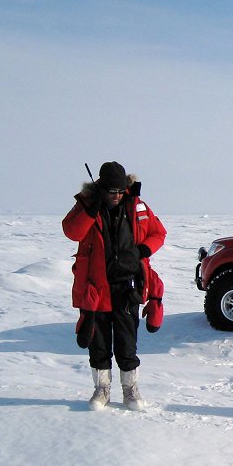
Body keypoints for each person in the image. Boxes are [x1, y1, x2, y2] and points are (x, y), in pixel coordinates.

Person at [63, 161, 167, 411]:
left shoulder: (137, 206)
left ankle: (130, 390)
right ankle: (102, 389)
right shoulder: (88, 204)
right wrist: (90, 210)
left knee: (126, 343)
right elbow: (72, 232)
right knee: (98, 343)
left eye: (121, 191)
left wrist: (143, 250)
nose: (117, 196)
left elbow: (158, 232)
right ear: (101, 188)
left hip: (127, 287)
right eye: (112, 192)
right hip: (96, 290)